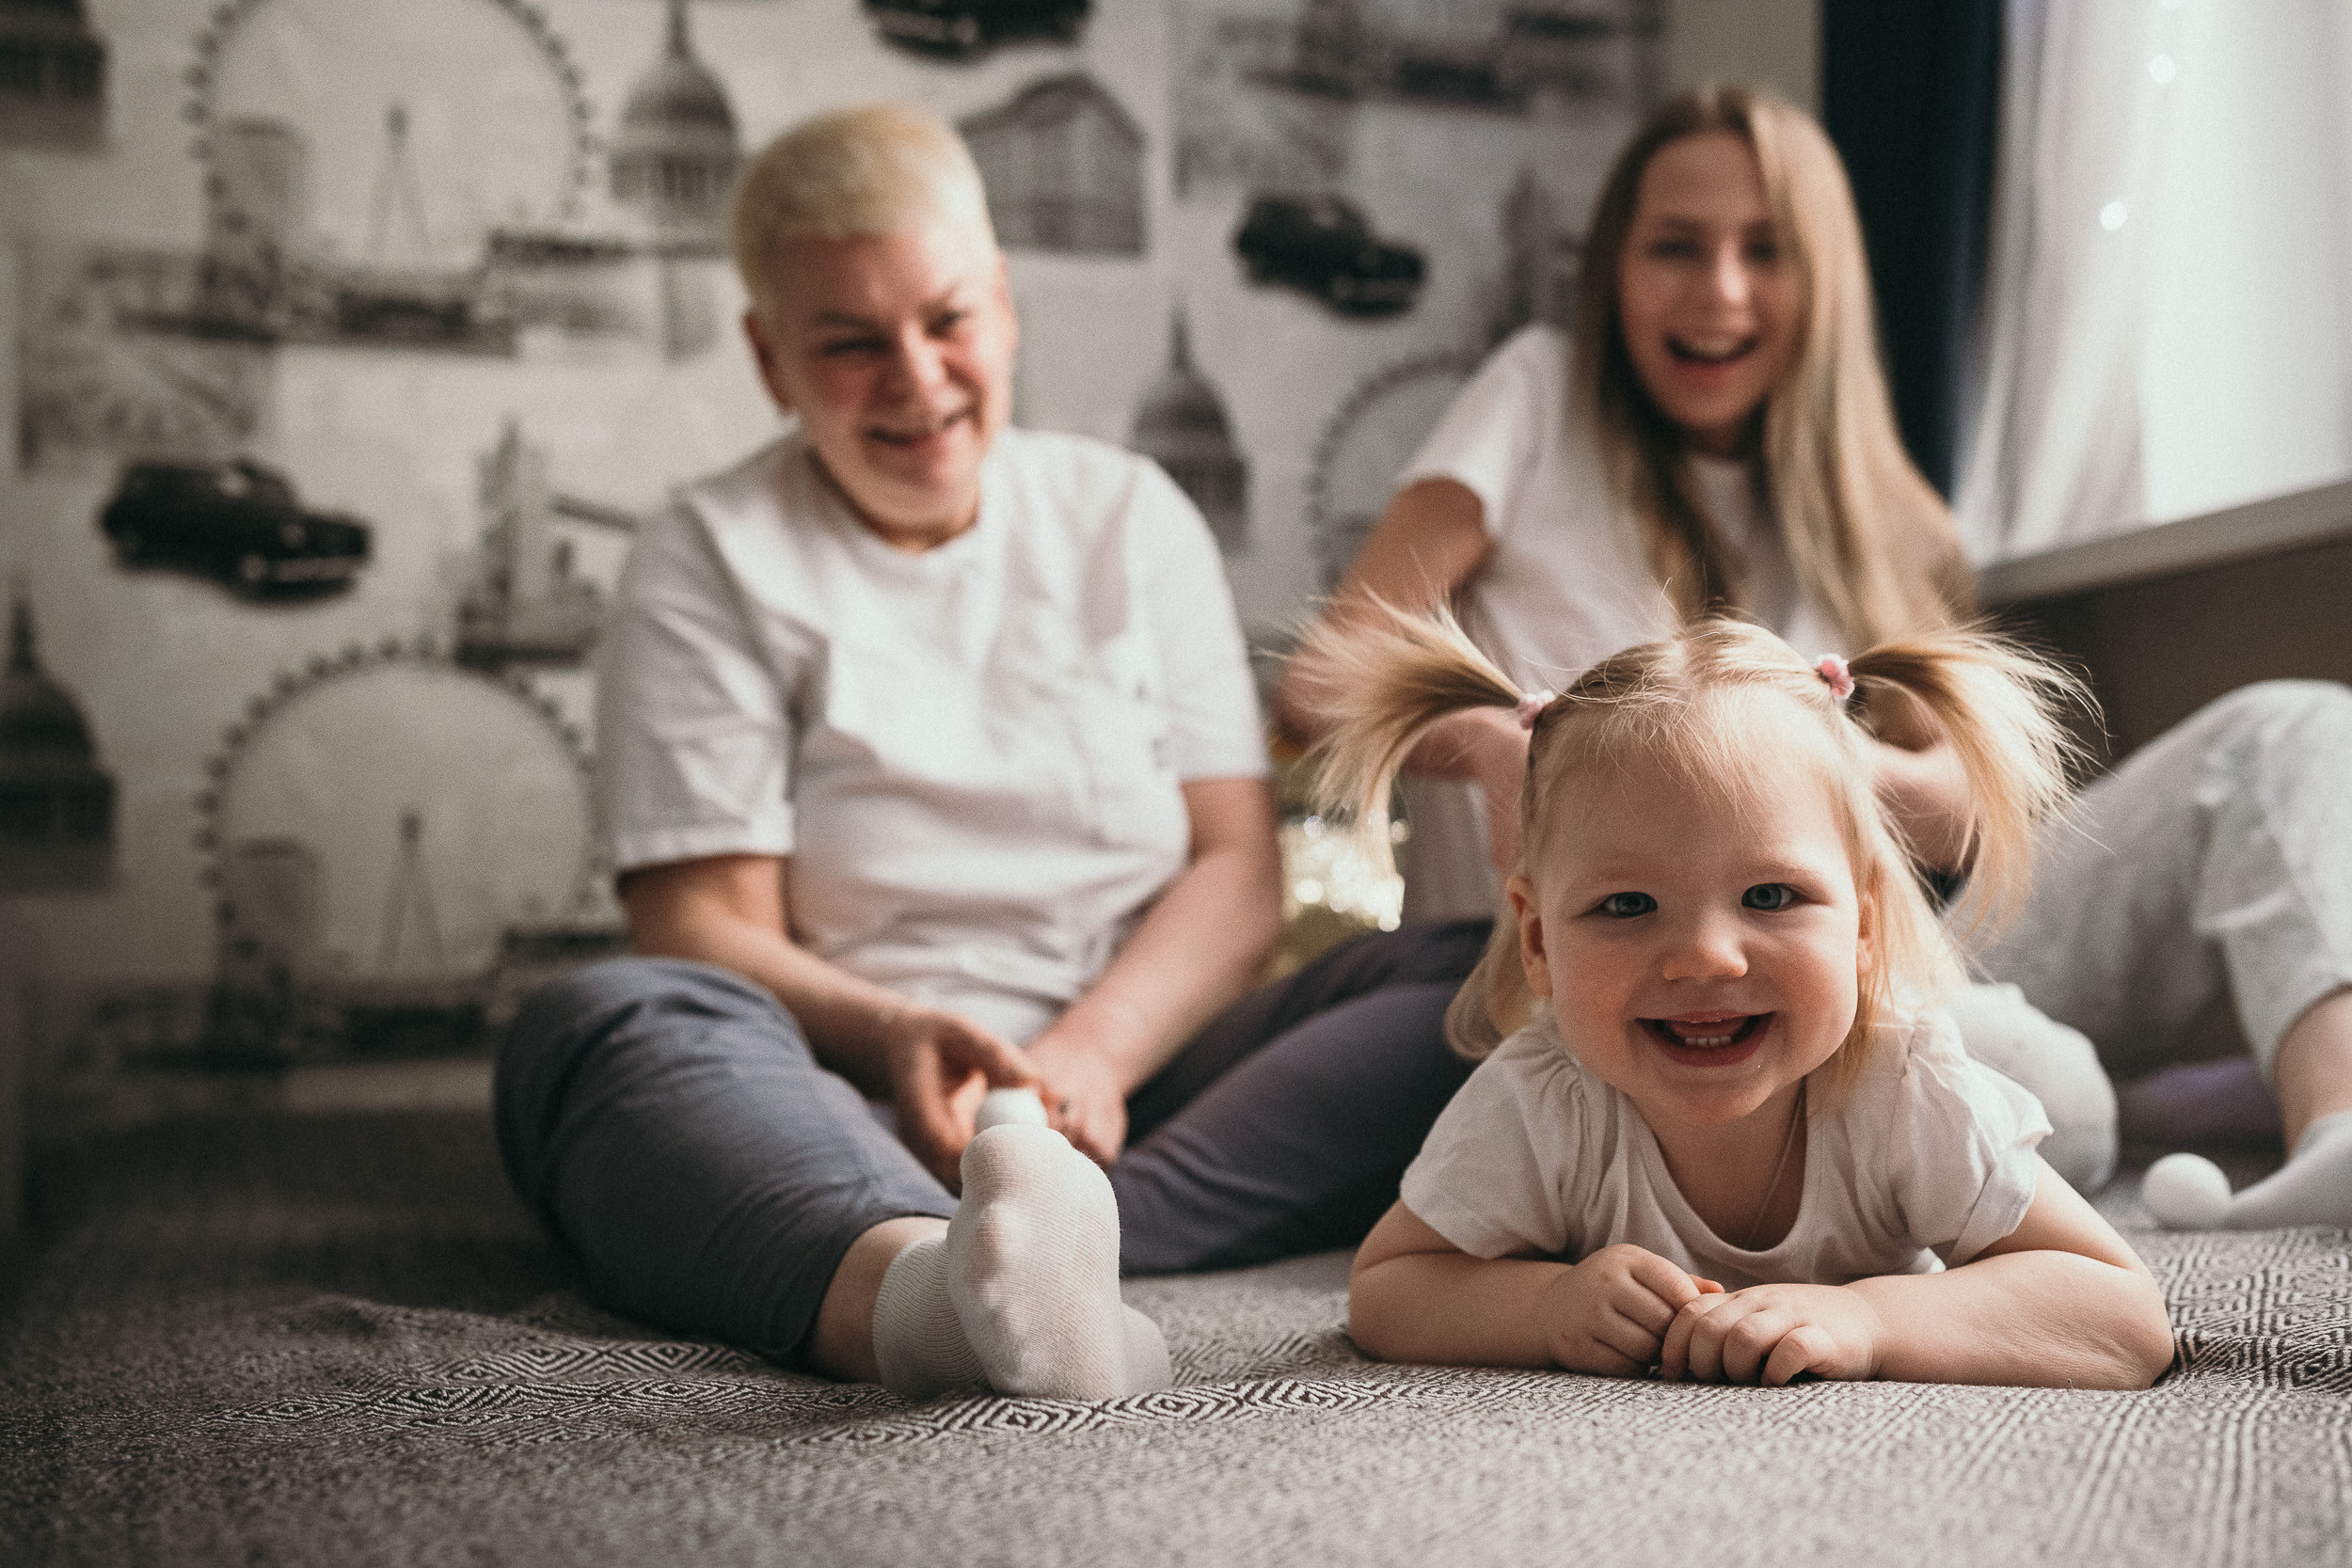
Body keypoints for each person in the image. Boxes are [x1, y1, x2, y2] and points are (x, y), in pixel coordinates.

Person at [495, 104, 1486, 1404]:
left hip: (1147, 1075)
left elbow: (1237, 875)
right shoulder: (709, 552)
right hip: (839, 1084)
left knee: (1500, 977)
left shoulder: (1129, 514)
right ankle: (923, 1285)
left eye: (948, 321)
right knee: (601, 1018)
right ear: (767, 354)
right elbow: (699, 922)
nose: (914, 377)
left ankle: (1044, 1222)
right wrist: (901, 1029)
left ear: (1005, 307)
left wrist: (1088, 1054)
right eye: (849, 343)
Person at [1277, 82, 2352, 1229]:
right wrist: (1503, 751)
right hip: (1641, 977)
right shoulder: (1535, 395)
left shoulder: (1883, 506)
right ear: (1612, 275)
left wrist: (1828, 767)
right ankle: (2144, 1099)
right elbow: (1316, 684)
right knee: (2057, 1099)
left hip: (1867, 941)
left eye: (1766, 251)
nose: (1720, 292)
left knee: (2292, 726)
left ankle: (2330, 1136)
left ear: (1822, 281)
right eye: (1675, 248)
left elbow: (1958, 817)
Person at [1303, 608, 2174, 1388]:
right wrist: (1544, 1306)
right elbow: (1388, 1289)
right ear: (1537, 940)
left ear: (1864, 925)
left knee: (2066, 1109)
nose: (1705, 959)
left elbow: (2125, 1322)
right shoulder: (1544, 1098)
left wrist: (1868, 1318)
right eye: (1628, 906)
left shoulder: (1904, 1084)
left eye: (1769, 896)